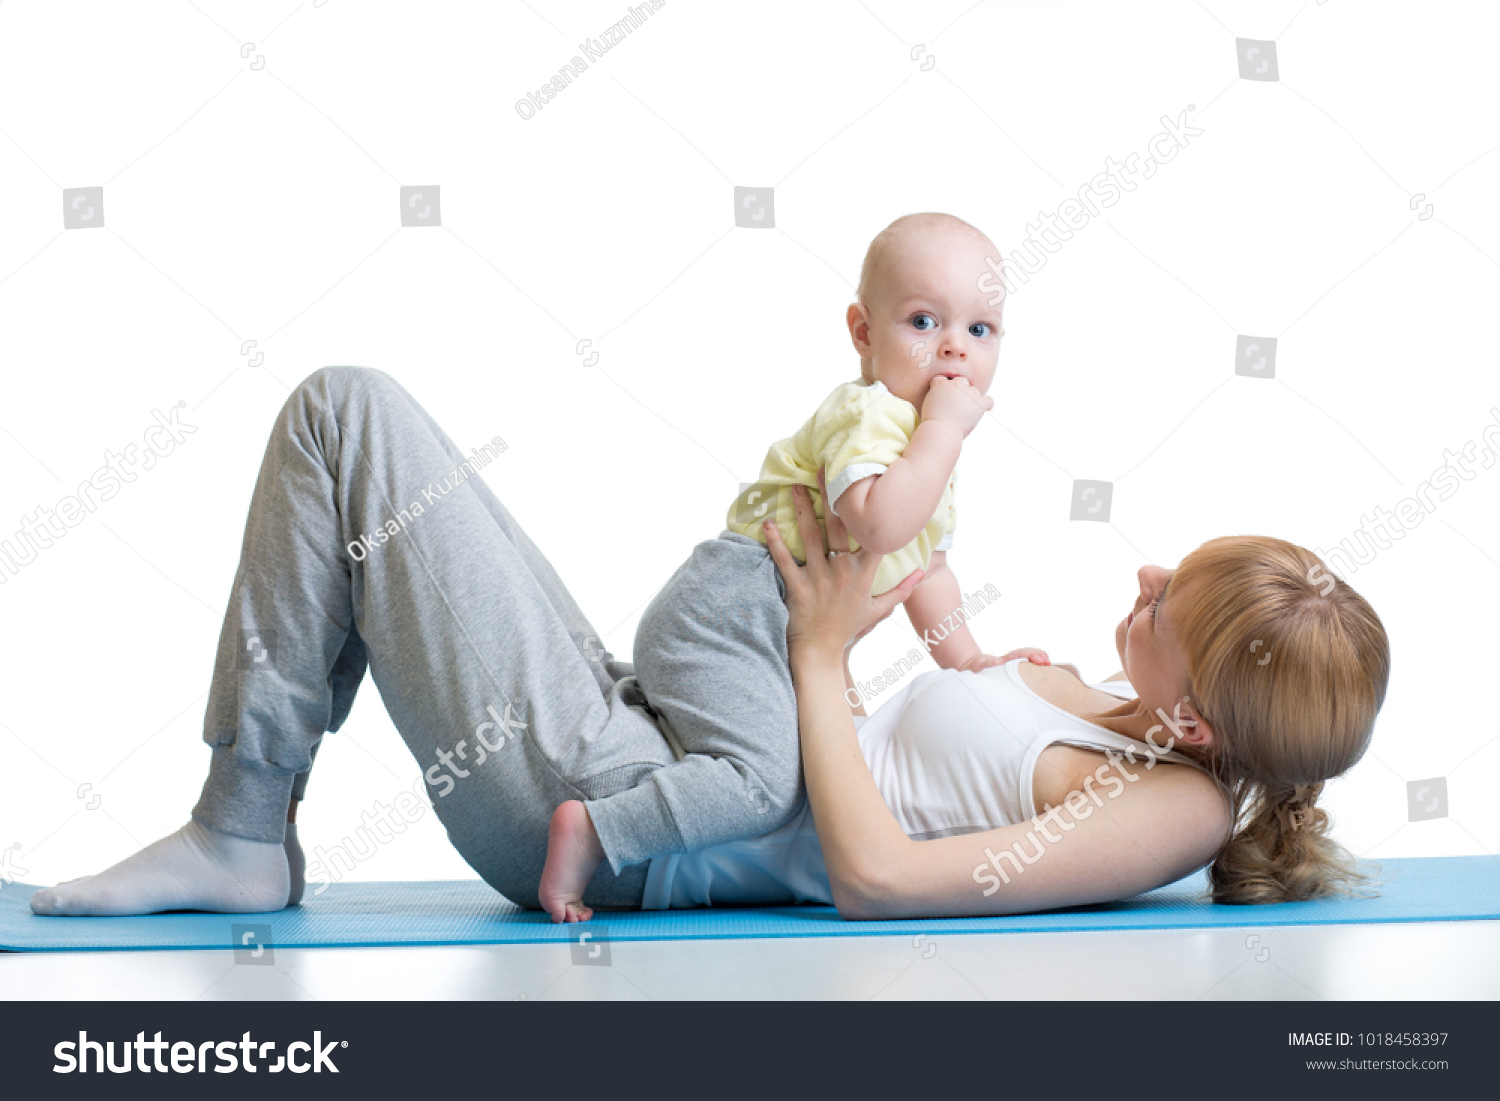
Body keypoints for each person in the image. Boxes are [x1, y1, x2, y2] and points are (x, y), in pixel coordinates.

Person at [28, 368, 1388, 920]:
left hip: (621, 813)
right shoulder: (1126, 722)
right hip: (659, 731)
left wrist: (814, 656)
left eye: (1179, 597)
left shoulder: (1168, 809)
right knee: (366, 456)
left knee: (345, 416)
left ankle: (243, 823)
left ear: (1206, 724)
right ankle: (246, 823)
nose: (1151, 573)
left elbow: (877, 877)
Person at [540, 212, 1040, 921]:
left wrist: (967, 659)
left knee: (820, 768)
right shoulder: (873, 414)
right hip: (727, 614)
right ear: (864, 334)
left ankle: (652, 738)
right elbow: (877, 521)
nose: (955, 349)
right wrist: (944, 431)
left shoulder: (929, 449)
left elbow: (926, 569)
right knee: (764, 784)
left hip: (764, 632)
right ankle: (596, 830)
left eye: (980, 330)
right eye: (924, 322)